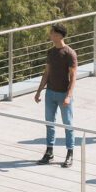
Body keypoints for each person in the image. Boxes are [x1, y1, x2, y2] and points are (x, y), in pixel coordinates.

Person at [34, 23, 78, 168]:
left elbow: (73, 77)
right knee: (49, 123)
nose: (50, 35)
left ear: (59, 35)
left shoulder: (70, 54)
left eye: (52, 33)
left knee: (68, 124)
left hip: (64, 94)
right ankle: (49, 152)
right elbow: (46, 73)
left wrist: (69, 96)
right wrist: (39, 91)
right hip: (50, 93)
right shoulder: (51, 52)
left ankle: (70, 153)